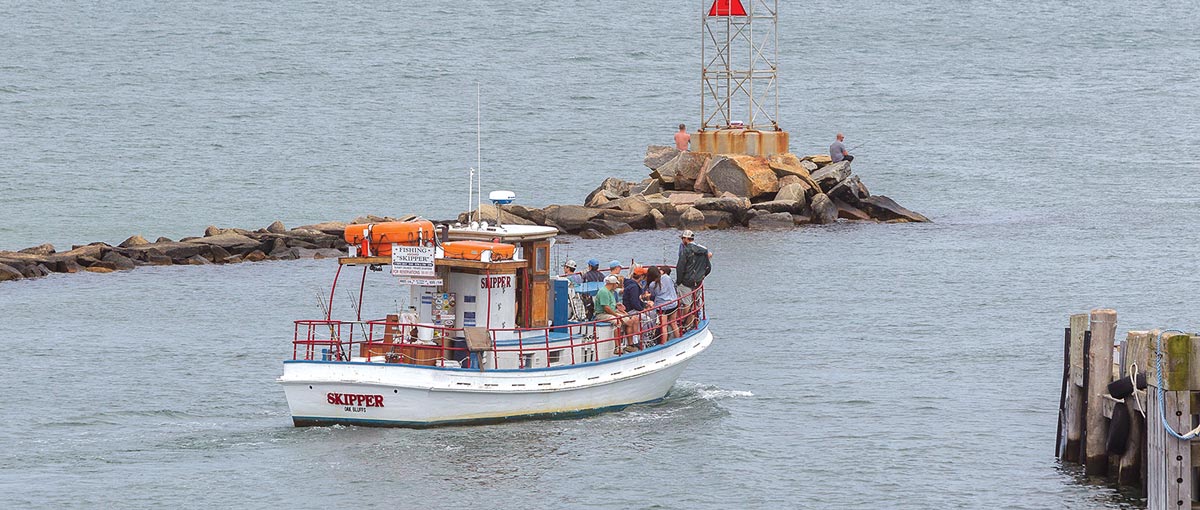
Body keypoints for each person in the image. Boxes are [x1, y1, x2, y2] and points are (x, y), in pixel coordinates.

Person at [675, 230, 712, 332]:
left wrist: (679, 281)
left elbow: (680, 267)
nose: (682, 241)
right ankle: (689, 325)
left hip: (687, 281)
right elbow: (708, 267)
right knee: (694, 304)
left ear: (686, 239)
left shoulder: (686, 251)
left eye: (683, 238)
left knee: (686, 303)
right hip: (698, 281)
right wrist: (703, 276)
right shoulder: (703, 250)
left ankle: (681, 323)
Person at [594, 275, 635, 354]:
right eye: (616, 284)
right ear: (612, 284)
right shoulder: (603, 292)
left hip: (610, 312)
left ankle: (630, 345)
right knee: (618, 322)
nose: (617, 286)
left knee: (629, 321)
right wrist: (616, 315)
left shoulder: (610, 292)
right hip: (602, 314)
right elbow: (606, 308)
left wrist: (617, 306)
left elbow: (610, 306)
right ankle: (617, 347)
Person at [644, 265, 680, 341]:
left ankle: (664, 343)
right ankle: (679, 339)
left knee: (664, 326)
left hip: (663, 307)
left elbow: (653, 294)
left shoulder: (652, 285)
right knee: (674, 323)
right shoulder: (667, 277)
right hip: (673, 303)